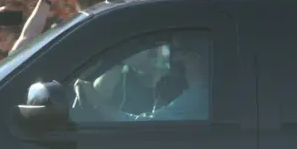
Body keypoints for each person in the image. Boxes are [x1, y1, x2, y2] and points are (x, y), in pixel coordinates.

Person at [73, 33, 209, 122]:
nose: (175, 58)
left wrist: (97, 103)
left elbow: (136, 124)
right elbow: (103, 90)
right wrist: (121, 62)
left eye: (182, 52)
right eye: (173, 52)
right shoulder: (172, 86)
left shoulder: (198, 97)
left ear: (198, 56)